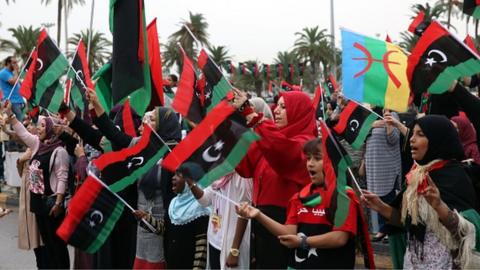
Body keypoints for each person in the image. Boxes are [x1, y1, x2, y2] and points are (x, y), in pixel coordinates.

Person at [362, 115, 480, 269]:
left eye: (420, 134)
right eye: (413, 133)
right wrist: (380, 206)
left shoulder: (456, 178)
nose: (411, 139)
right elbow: (408, 223)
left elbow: (466, 234)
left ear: (437, 140)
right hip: (413, 263)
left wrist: (439, 206)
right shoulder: (417, 175)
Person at [236, 138, 362, 269]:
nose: (310, 164)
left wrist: (303, 241)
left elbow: (339, 238)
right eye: (308, 159)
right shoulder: (299, 197)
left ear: (333, 163)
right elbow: (289, 232)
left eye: (317, 158)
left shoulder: (344, 197)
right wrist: (258, 215)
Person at [233, 90, 317, 269]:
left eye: (284, 107)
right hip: (261, 219)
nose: (276, 111)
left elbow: (284, 153)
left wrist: (253, 117)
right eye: (277, 105)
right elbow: (244, 167)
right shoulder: (272, 138)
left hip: (286, 221)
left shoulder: (307, 143)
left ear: (299, 112)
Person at [2, 109, 70, 269]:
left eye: (41, 126)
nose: (38, 129)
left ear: (50, 129)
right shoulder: (39, 144)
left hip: (51, 204)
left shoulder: (59, 151)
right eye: (38, 126)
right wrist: (11, 116)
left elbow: (62, 177)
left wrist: (58, 203)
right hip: (38, 203)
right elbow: (23, 134)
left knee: (57, 245)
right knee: (47, 243)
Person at [189, 172, 252, 269]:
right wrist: (190, 183)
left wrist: (234, 250)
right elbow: (205, 200)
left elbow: (244, 212)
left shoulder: (241, 176)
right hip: (214, 241)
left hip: (230, 245)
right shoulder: (218, 174)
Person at [365, 109, 402, 242]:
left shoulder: (392, 115)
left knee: (388, 197)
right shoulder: (369, 117)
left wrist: (388, 122)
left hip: (386, 165)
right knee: (377, 196)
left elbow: (394, 139)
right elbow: (361, 137)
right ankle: (382, 228)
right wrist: (371, 125)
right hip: (373, 164)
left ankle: (389, 229)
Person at [166, 162, 210, 269]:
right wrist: (145, 219)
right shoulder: (174, 203)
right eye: (174, 174)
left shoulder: (200, 208)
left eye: (178, 175)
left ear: (190, 181)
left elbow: (202, 247)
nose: (173, 178)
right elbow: (167, 230)